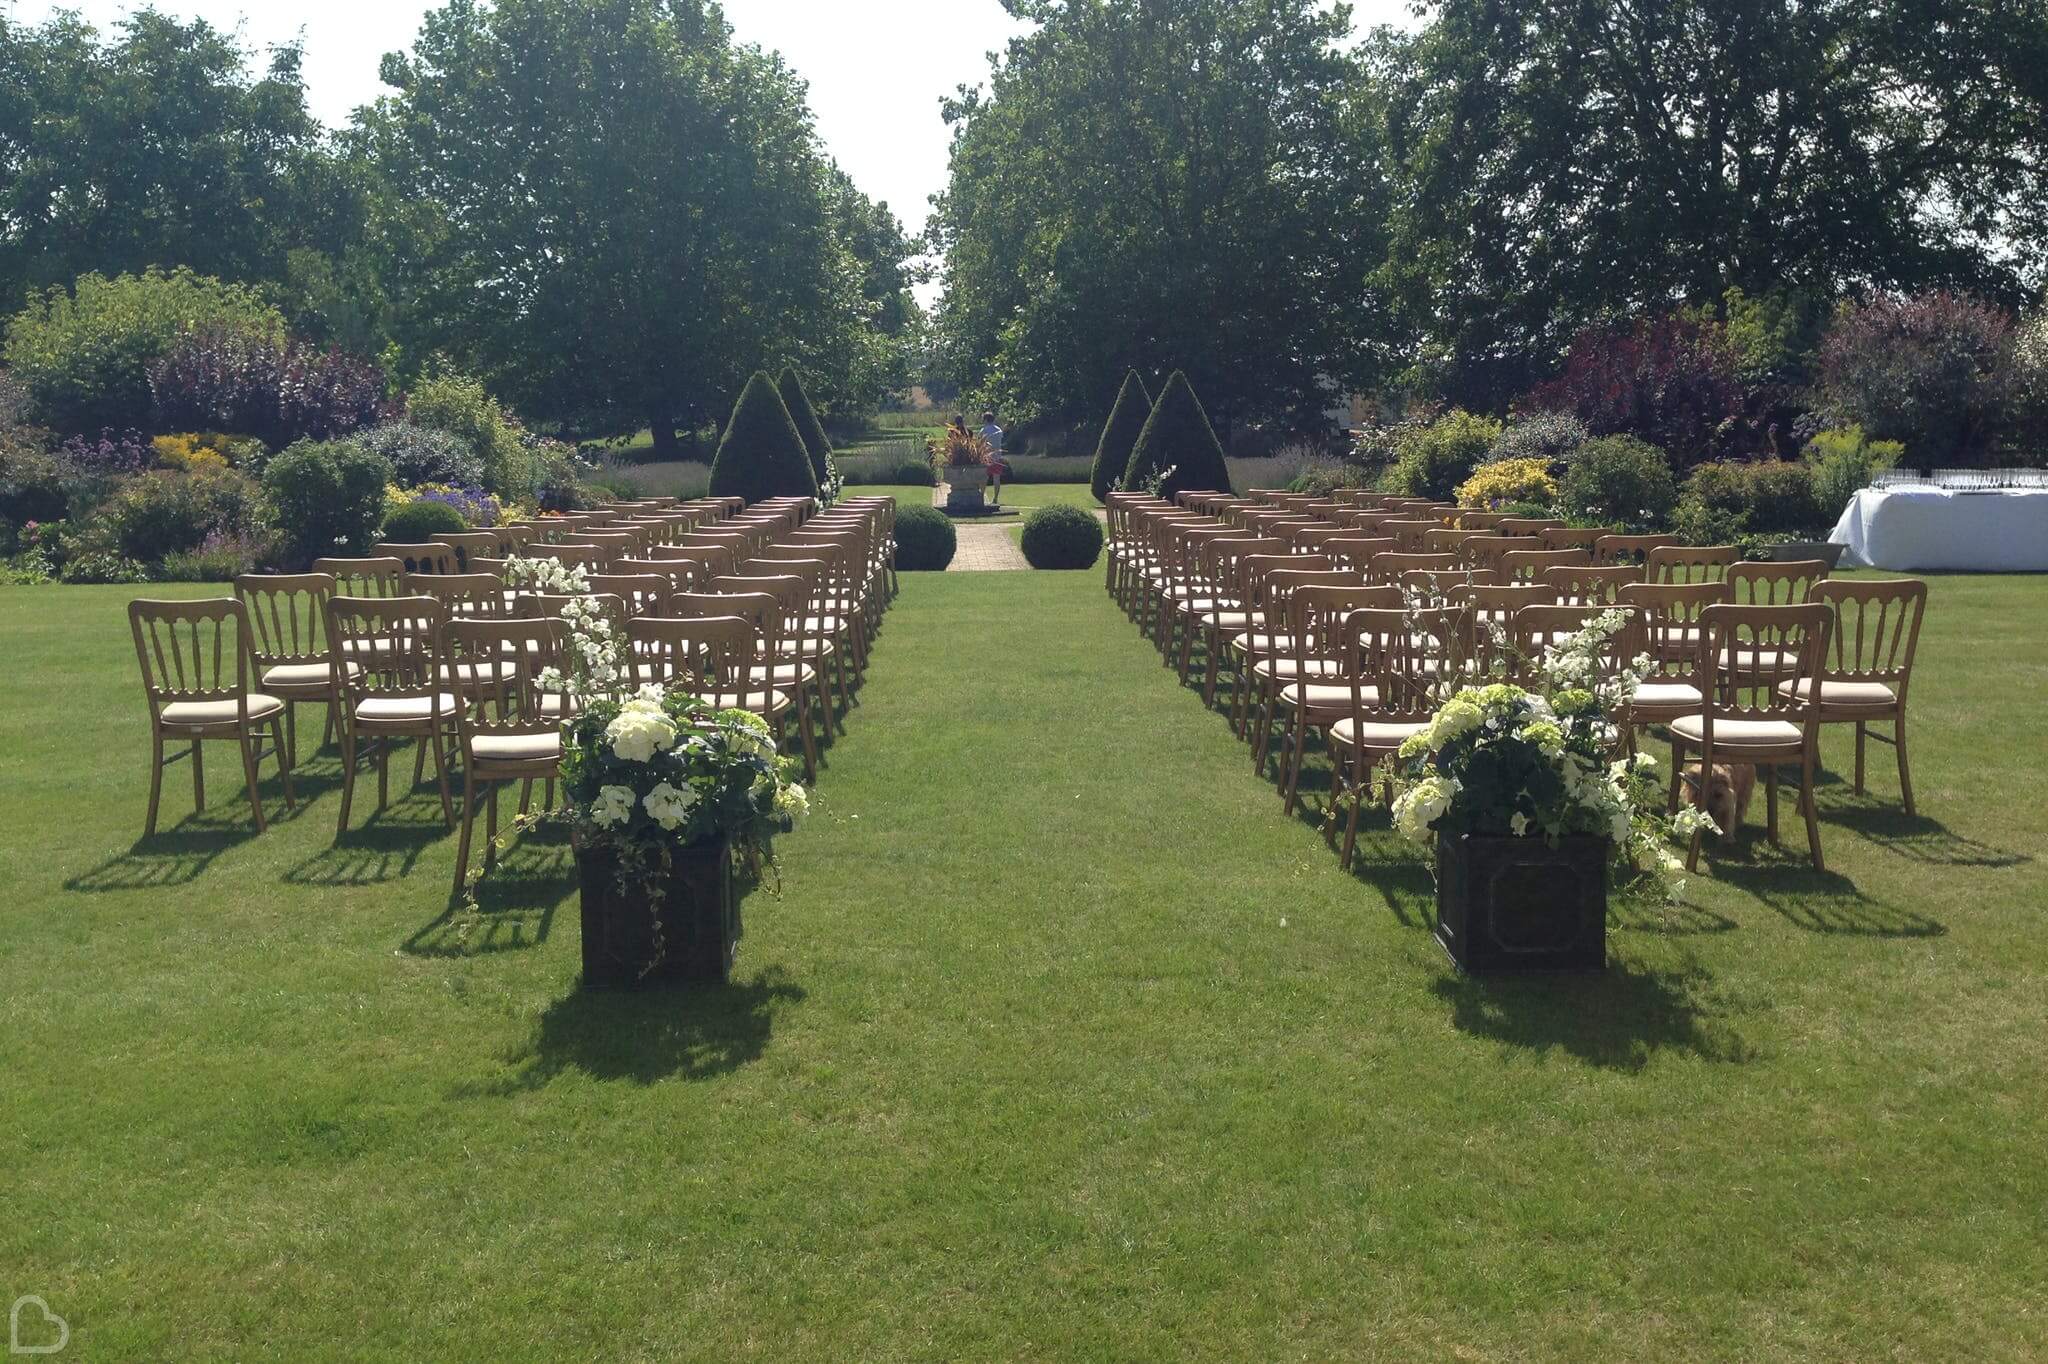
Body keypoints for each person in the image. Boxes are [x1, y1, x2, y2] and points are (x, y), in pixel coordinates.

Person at [980, 409, 1009, 506]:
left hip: (986, 457)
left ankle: (981, 497)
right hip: (997, 456)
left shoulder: (984, 430)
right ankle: (995, 498)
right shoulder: (999, 430)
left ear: (986, 420)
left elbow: (980, 443)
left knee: (984, 478)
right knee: (997, 478)